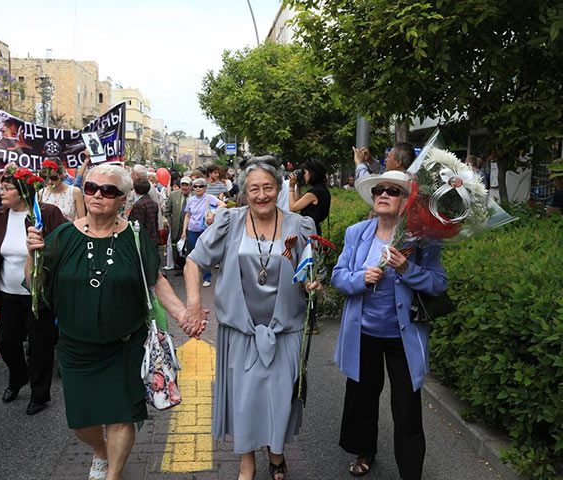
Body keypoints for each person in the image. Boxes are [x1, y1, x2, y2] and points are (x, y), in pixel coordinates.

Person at [25, 164, 205, 480]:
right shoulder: (63, 236)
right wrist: (32, 254)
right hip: (75, 346)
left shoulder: (133, 237)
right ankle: (100, 452)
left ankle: (114, 474)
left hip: (125, 344)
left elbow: (156, 279)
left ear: (123, 199)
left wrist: (182, 314)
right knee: (82, 421)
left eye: (109, 191)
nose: (98, 195)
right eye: (92, 187)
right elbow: (35, 283)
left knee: (121, 417)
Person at [183, 156, 318, 480]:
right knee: (244, 402)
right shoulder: (230, 221)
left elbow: (312, 277)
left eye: (268, 187)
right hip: (240, 330)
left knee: (280, 398)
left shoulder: (299, 226)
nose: (261, 195)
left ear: (279, 188)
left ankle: (276, 454)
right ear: (244, 191)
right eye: (254, 188)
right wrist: (192, 302)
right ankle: (247, 463)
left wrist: (314, 287)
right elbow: (194, 261)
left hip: (285, 329)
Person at [331, 171, 447, 479]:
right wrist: (360, 278)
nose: (383, 194)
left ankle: (410, 471)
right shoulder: (357, 233)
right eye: (379, 190)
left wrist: (407, 268)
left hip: (402, 337)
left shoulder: (421, 240)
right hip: (363, 333)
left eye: (393, 191)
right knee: (362, 399)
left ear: (406, 200)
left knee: (407, 408)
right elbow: (338, 275)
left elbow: (438, 284)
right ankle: (364, 451)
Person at [0, 172, 68, 415]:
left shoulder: (47, 213)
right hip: (8, 293)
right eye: (2, 187)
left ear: (22, 192)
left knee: (40, 347)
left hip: (37, 294)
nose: (1, 192)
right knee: (6, 342)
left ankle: (39, 395)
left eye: (7, 188)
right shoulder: (1, 214)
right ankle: (18, 377)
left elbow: (63, 242)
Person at [181, 177, 226, 287]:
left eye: (200, 186)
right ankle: (195, 276)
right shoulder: (190, 200)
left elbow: (223, 205)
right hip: (192, 229)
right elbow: (187, 215)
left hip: (204, 229)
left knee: (205, 253)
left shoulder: (209, 198)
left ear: (205, 188)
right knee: (192, 253)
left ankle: (207, 277)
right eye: (195, 186)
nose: (197, 188)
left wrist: (213, 213)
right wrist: (184, 231)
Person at [288, 158, 331, 235]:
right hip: (314, 230)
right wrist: (298, 185)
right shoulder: (322, 190)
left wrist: (291, 187)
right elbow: (298, 201)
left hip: (308, 232)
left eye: (304, 172)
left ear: (312, 173)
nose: (303, 175)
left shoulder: (314, 193)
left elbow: (292, 208)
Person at [164, 176, 193, 271]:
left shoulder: (194, 197)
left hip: (190, 227)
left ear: (191, 186)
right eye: (182, 185)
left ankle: (189, 267)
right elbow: (167, 211)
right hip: (176, 226)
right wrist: (169, 223)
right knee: (176, 248)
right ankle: (179, 266)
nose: (184, 187)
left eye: (186, 185)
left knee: (189, 247)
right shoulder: (173, 195)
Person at [128, 177, 160, 245]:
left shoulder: (139, 205)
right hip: (153, 238)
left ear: (135, 189)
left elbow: (137, 226)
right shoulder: (154, 203)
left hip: (144, 241)